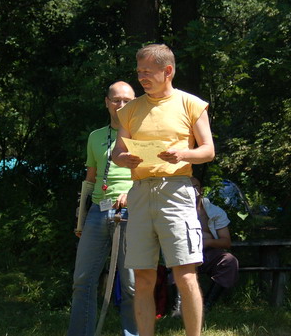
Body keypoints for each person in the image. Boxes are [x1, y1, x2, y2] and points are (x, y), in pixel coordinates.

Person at [112, 44, 215, 336]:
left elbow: (208, 150)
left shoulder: (191, 104)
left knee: (186, 274)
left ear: (167, 70)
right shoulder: (130, 110)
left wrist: (183, 154)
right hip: (140, 193)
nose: (141, 77)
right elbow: (117, 152)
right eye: (139, 72)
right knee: (143, 277)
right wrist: (124, 158)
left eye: (147, 71)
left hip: (176, 192)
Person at [67, 81, 138, 336]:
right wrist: (81, 218)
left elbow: (154, 176)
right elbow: (90, 179)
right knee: (82, 281)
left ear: (135, 103)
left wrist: (132, 194)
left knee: (132, 286)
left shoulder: (143, 134)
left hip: (132, 214)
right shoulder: (95, 136)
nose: (121, 105)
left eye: (127, 100)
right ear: (107, 103)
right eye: (116, 100)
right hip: (98, 211)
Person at [171, 177, 239, 316]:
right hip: (184, 254)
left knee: (229, 261)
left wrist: (206, 242)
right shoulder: (173, 212)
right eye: (187, 187)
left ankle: (207, 305)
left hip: (209, 254)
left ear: (201, 190)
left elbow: (226, 241)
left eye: (195, 187)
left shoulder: (215, 212)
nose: (191, 190)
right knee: (177, 264)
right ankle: (178, 308)